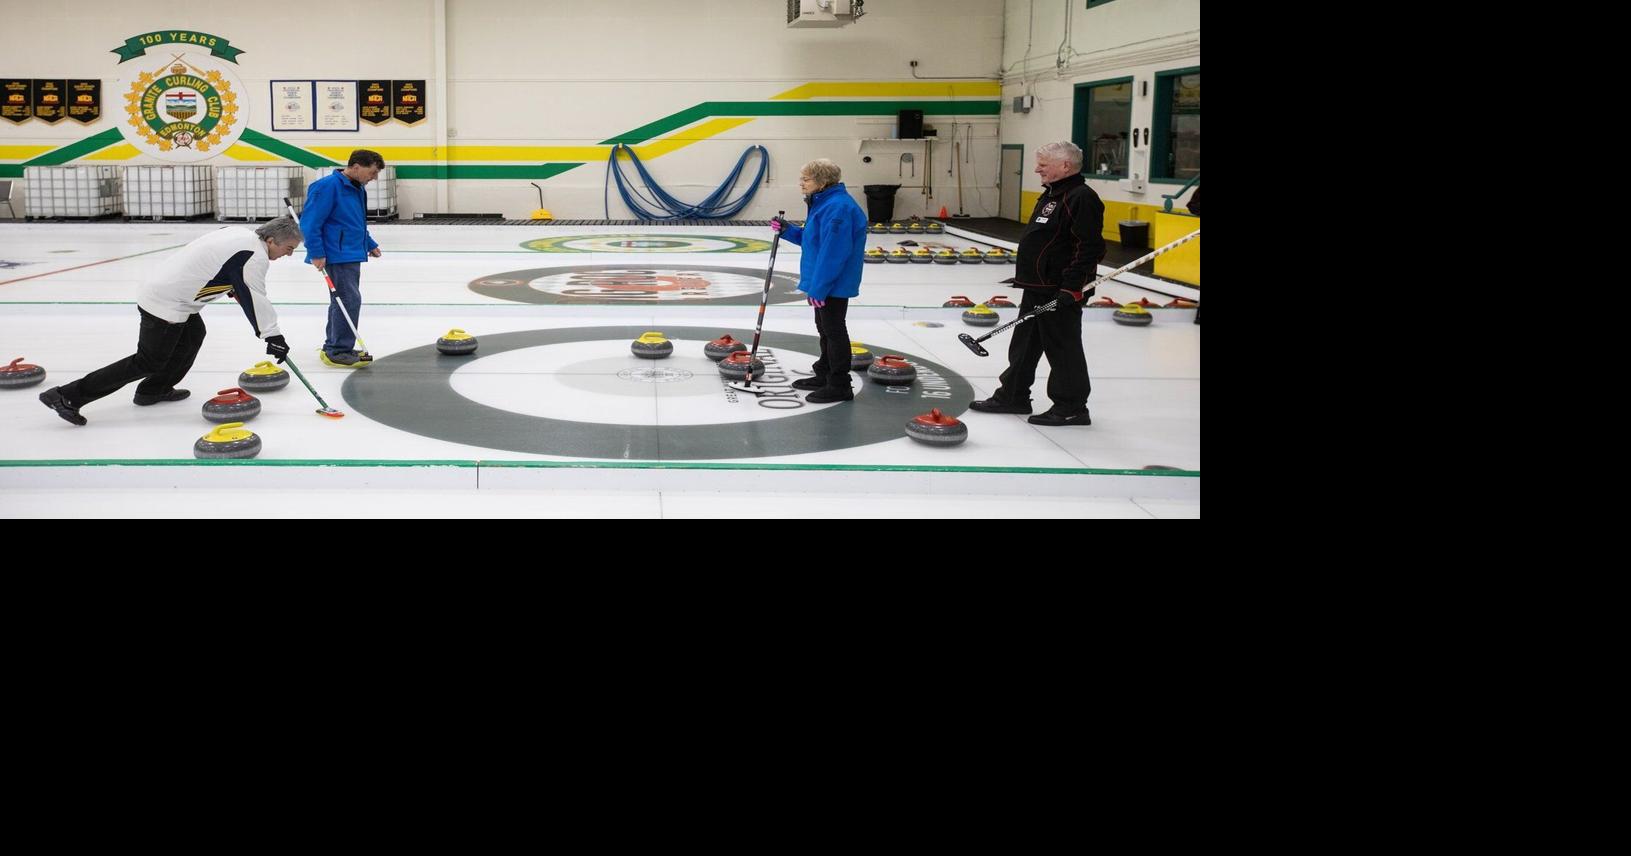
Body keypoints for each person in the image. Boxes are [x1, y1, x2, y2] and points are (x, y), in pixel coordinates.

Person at [39, 218, 301, 426]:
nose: (288, 255)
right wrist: (273, 336)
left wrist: (232, 286)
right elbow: (254, 296)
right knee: (147, 360)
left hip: (171, 293)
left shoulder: (238, 233)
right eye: (288, 248)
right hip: (167, 302)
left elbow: (221, 266)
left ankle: (154, 390)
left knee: (193, 335)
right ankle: (66, 395)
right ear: (270, 239)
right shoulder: (253, 256)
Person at [970, 141, 1103, 426]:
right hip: (1037, 286)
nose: (1036, 169)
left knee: (1063, 348)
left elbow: (1089, 247)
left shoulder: (1081, 197)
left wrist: (1072, 286)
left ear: (1064, 165)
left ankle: (1071, 406)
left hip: (1060, 290)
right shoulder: (1053, 194)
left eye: (1043, 165)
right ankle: (1013, 395)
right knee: (1025, 344)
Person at [769, 158, 868, 403]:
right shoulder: (824, 203)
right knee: (824, 328)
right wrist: (786, 230)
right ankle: (824, 372)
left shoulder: (838, 208)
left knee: (834, 330)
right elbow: (812, 240)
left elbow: (834, 253)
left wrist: (820, 288)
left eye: (806, 179)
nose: (801, 183)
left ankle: (839, 384)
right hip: (823, 280)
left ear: (822, 182)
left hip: (833, 282)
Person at [301, 148, 384, 367]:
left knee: (342, 301)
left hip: (350, 251)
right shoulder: (327, 187)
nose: (374, 178)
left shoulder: (357, 188)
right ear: (356, 167)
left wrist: (369, 243)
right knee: (348, 300)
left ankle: (334, 345)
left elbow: (354, 222)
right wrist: (316, 252)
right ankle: (338, 351)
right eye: (372, 172)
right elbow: (310, 223)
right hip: (335, 255)